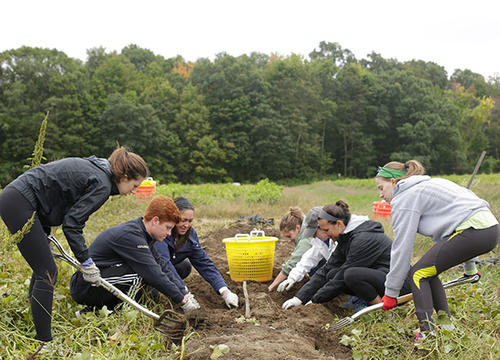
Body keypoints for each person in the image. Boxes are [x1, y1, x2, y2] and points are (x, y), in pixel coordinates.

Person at [0, 147, 148, 344]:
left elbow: (56, 193)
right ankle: (44, 343)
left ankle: (35, 319)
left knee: (43, 266)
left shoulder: (97, 170)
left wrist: (43, 232)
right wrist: (86, 261)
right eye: (135, 185)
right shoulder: (102, 184)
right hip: (20, 201)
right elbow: (72, 224)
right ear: (125, 176)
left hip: (19, 199)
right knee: (47, 271)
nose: (134, 191)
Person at [375, 160, 498, 344]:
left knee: (417, 274)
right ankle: (447, 328)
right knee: (428, 271)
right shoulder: (429, 184)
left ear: (394, 182)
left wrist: (391, 293)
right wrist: (470, 269)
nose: (381, 194)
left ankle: (428, 335)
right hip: (489, 229)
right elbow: (463, 216)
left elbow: (401, 248)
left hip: (474, 231)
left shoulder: (405, 197)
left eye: (381, 187)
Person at [70, 196, 200, 314]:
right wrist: (181, 300)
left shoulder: (145, 234)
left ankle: (92, 312)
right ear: (155, 221)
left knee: (152, 292)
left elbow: (161, 265)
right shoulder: (131, 236)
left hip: (104, 280)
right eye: (167, 227)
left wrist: (184, 293)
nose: (169, 234)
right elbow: (153, 272)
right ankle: (117, 314)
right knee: (141, 273)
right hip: (87, 285)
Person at [282, 201, 411, 310]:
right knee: (331, 273)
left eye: (326, 230)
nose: (326, 234)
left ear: (339, 224)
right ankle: (367, 302)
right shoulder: (346, 236)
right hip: (380, 276)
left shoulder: (363, 238)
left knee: (350, 275)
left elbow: (343, 276)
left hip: (399, 284)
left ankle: (383, 310)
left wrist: (315, 301)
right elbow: (327, 269)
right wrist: (299, 298)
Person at [154, 197, 238, 309]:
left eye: (190, 221)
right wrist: (184, 293)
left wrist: (224, 290)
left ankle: (171, 288)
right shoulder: (162, 232)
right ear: (173, 217)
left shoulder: (190, 235)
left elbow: (203, 263)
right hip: (151, 269)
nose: (186, 225)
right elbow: (164, 264)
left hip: (168, 266)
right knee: (152, 295)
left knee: (184, 267)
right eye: (183, 220)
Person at [268, 206, 320, 292]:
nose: (288, 240)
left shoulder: (306, 239)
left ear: (298, 228)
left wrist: (271, 287)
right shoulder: (302, 220)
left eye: (289, 236)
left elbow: (292, 264)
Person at [277, 220, 335, 293]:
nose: (313, 236)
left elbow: (333, 267)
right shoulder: (320, 241)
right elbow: (307, 260)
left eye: (314, 233)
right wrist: (292, 278)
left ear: (323, 228)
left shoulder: (338, 240)